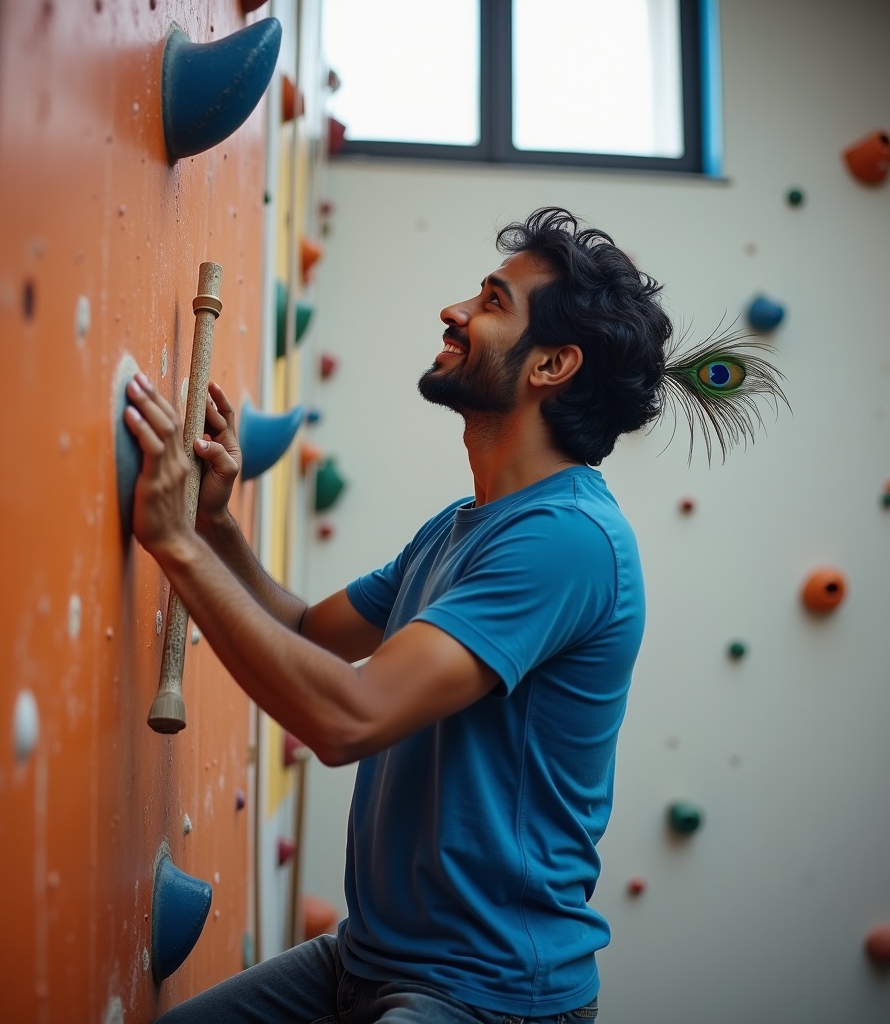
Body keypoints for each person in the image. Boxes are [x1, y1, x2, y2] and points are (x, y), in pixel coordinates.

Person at [129, 208, 782, 1023]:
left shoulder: (569, 542)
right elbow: (305, 633)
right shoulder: (461, 525)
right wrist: (213, 526)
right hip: (365, 961)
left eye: (492, 302)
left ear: (553, 364)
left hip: (483, 997)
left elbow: (346, 717)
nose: (456, 312)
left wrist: (177, 549)